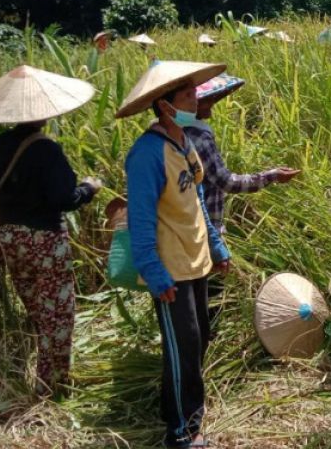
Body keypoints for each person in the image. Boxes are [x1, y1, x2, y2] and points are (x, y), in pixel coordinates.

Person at [0, 65, 103, 396]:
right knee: (59, 314)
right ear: (46, 111)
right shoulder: (47, 149)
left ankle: (43, 373)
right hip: (44, 240)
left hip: (11, 237)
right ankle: (51, 385)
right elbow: (64, 199)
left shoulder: (0, 144)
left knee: (36, 307)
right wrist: (89, 188)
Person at [117, 60, 232, 449]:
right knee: (182, 345)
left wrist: (216, 246)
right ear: (164, 106)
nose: (194, 98)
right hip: (171, 268)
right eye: (185, 95)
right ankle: (180, 432)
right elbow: (141, 217)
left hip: (196, 259)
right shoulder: (147, 154)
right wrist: (153, 270)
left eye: (192, 92)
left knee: (198, 339)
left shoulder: (182, 142)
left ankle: (181, 411)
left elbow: (197, 196)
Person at [184, 73, 300, 321]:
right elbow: (227, 182)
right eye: (206, 102)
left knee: (192, 299)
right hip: (206, 231)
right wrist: (271, 176)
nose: (210, 108)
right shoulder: (199, 138)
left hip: (182, 231)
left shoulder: (172, 135)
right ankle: (206, 347)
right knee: (210, 300)